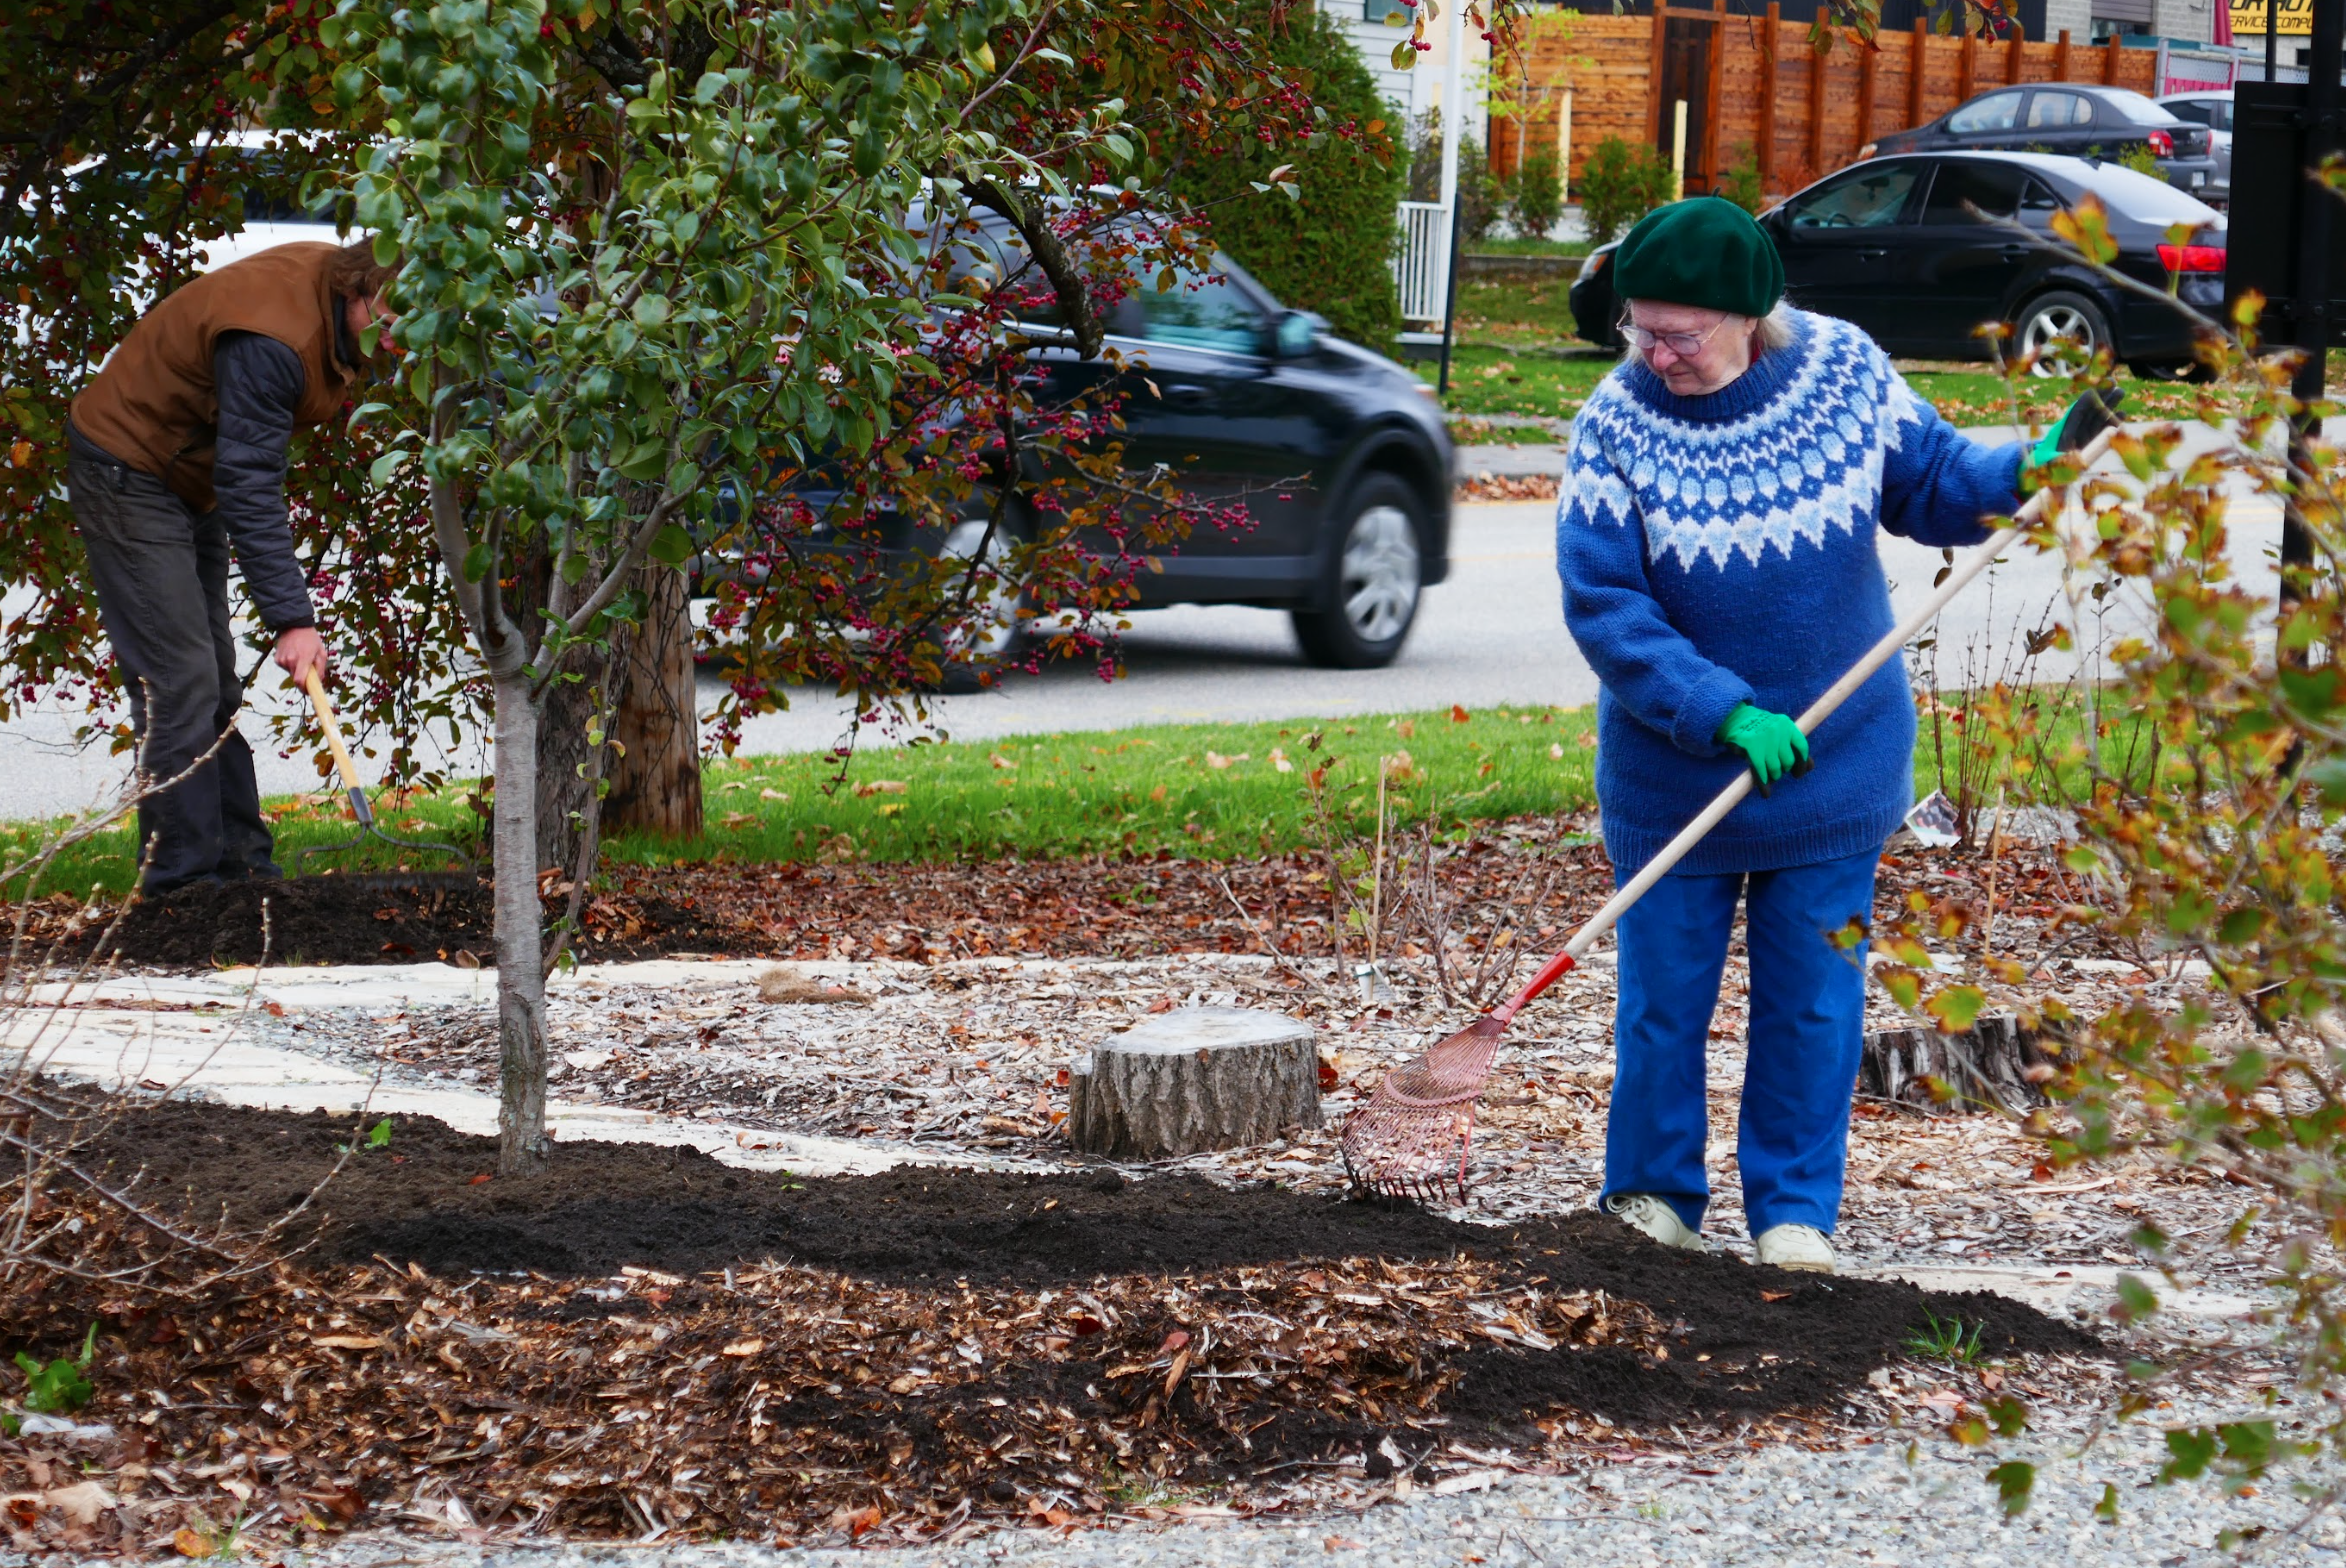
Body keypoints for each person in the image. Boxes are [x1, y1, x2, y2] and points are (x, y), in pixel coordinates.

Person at [1555, 197, 2108, 1274]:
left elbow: (1936, 483)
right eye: (1640, 329)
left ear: (1749, 316)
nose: (1655, 352)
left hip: (1836, 766)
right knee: (1664, 1005)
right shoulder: (1614, 422)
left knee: (1813, 1006)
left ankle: (1794, 1212)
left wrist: (2027, 471)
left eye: (1679, 333)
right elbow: (1604, 603)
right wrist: (1719, 708)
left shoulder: (1844, 374)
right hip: (1675, 776)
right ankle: (1653, 1198)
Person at [66, 239, 397, 893]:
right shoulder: (275, 340)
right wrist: (292, 620)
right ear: (362, 290)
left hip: (191, 478)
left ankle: (240, 863)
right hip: (128, 468)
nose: (399, 338)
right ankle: (179, 886)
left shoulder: (336, 306)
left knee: (212, 680)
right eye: (393, 319)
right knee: (178, 680)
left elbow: (241, 466)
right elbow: (250, 482)